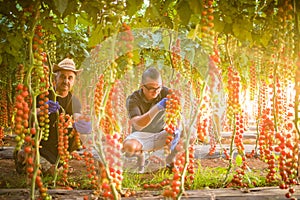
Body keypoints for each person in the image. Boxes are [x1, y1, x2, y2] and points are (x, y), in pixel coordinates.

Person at [15, 58, 92, 174]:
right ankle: (23, 155)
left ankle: (51, 165)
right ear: (55, 78)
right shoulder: (43, 96)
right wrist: (41, 110)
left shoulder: (75, 102)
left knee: (54, 171)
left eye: (70, 78)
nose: (66, 81)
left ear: (74, 81)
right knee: (42, 168)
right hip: (40, 148)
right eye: (62, 77)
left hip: (59, 152)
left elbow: (77, 118)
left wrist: (85, 126)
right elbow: (28, 119)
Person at [122, 67, 180, 173]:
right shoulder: (133, 99)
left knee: (185, 134)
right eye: (151, 88)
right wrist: (157, 108)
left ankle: (170, 162)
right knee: (129, 147)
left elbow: (178, 114)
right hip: (141, 136)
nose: (156, 92)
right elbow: (138, 125)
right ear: (142, 86)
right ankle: (141, 156)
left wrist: (177, 129)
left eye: (158, 88)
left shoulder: (166, 92)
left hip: (161, 134)